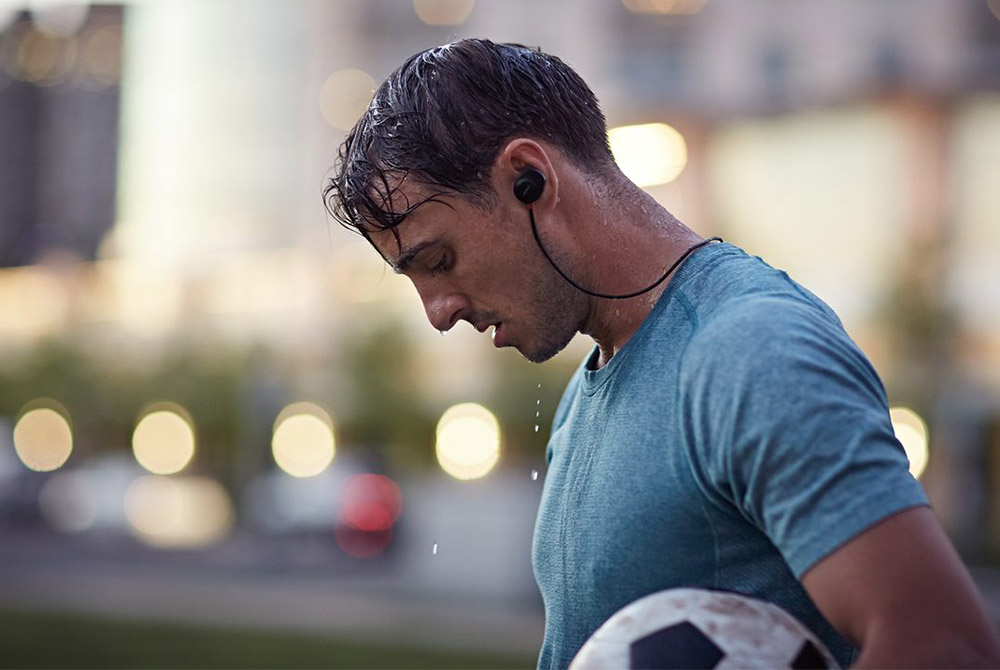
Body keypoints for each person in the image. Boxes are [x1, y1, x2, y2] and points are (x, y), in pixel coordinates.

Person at [325, 38, 1000, 669]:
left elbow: (944, 645)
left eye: (439, 261)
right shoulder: (585, 393)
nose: (438, 314)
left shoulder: (748, 352)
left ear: (528, 178)